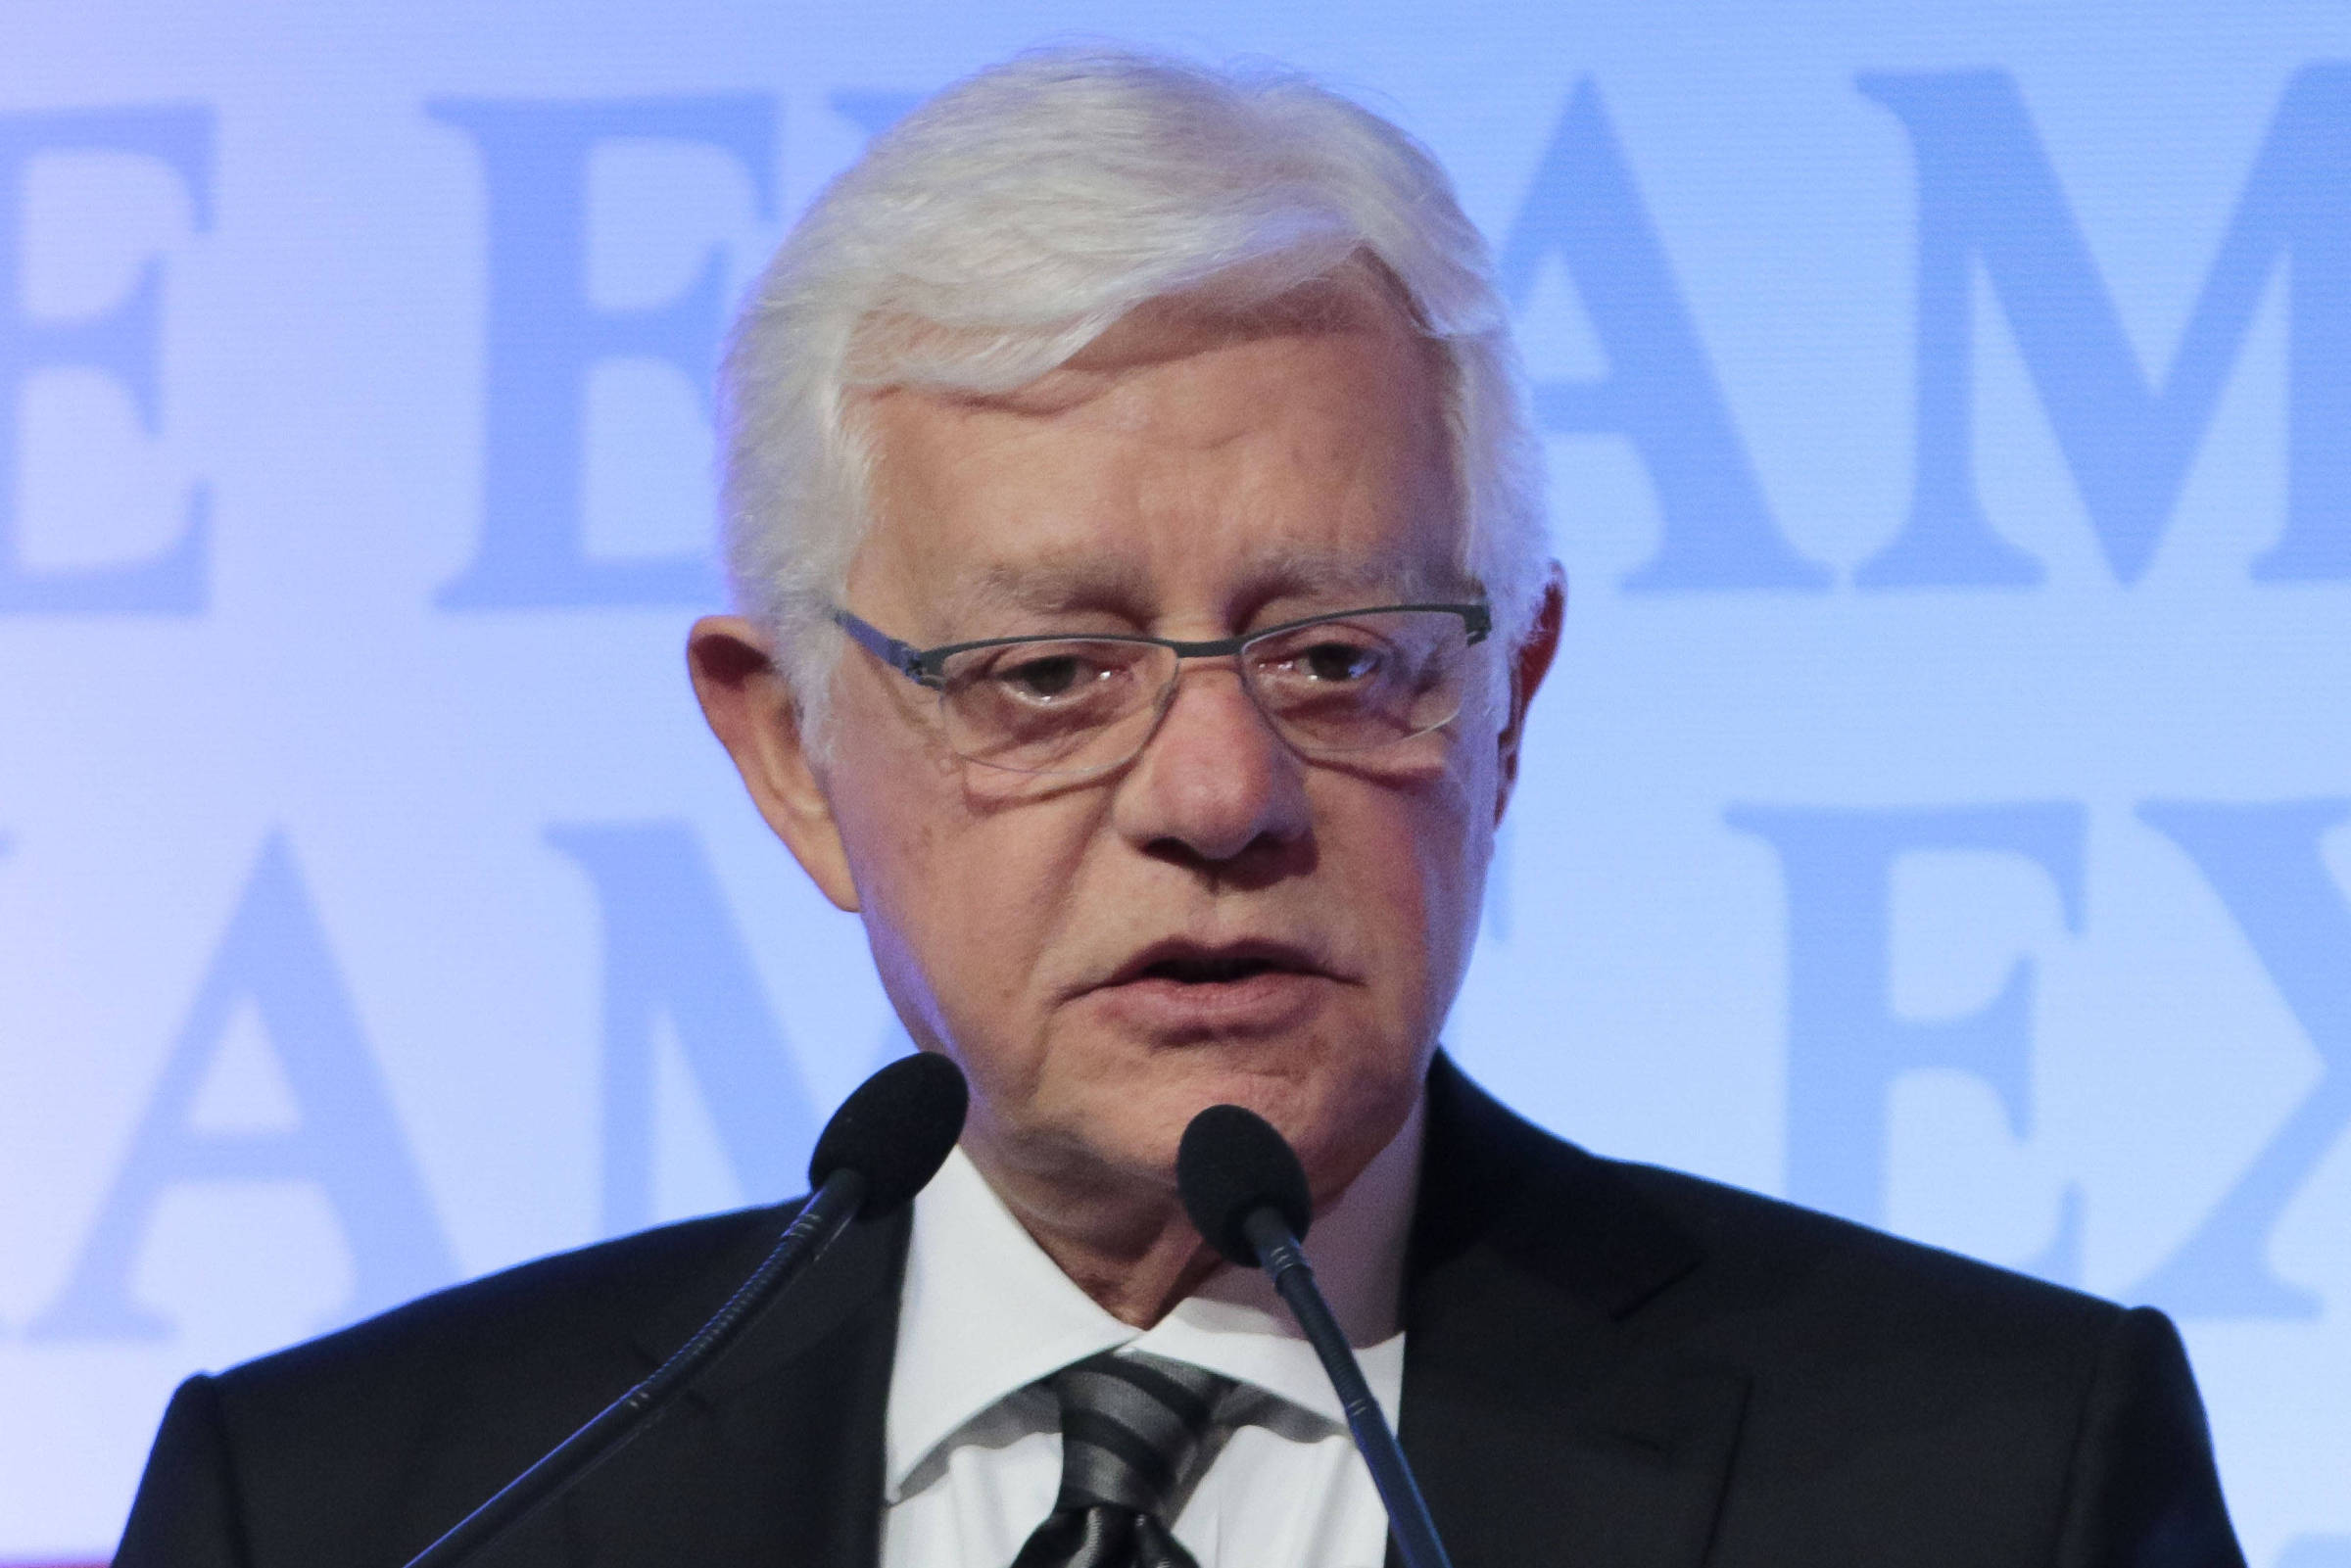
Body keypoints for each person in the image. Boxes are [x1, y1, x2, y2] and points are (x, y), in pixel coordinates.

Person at [115, 47, 2243, 1568]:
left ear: (1506, 709)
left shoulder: (1992, 1483)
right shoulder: (355, 1509)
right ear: (792, 756)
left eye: (1341, 658)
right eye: (1050, 674)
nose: (1222, 795)